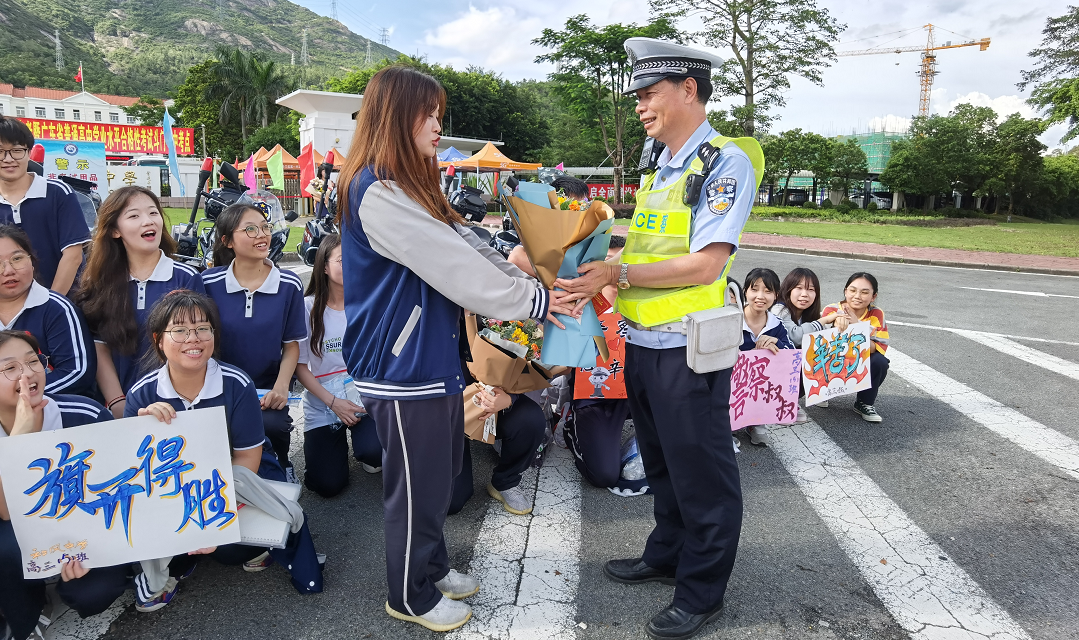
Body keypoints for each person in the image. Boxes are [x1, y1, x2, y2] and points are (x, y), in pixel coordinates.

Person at [337, 65, 577, 632]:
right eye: (430, 113)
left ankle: (433, 566)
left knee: (441, 475)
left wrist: (538, 290)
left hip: (429, 358)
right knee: (417, 487)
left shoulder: (408, 185)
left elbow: (472, 248)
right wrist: (537, 302)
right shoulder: (374, 190)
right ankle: (409, 594)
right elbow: (458, 273)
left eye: (439, 113)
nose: (438, 125)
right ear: (397, 114)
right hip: (402, 366)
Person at [552, 38, 766, 640]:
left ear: (688, 90)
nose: (641, 106)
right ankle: (667, 552)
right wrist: (597, 265)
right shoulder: (662, 164)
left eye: (650, 94)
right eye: (639, 95)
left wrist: (617, 272)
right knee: (663, 462)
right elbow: (647, 253)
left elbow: (705, 264)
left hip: (687, 350)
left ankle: (701, 591)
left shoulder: (724, 162)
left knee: (702, 473)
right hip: (643, 344)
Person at [125, 290, 321, 611]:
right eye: (180, 330)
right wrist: (142, 429)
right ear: (159, 339)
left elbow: (246, 463)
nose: (194, 338)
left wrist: (207, 519)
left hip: (230, 480)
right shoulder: (143, 394)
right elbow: (136, 476)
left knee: (228, 551)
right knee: (163, 544)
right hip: (172, 489)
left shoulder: (235, 383)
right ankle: (174, 564)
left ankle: (248, 546)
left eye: (203, 328)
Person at [0, 330, 129, 640]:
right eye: (10, 368)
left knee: (94, 592)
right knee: (5, 550)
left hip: (87, 523)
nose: (27, 374)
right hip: (19, 528)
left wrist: (85, 546)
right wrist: (19, 437)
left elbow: (119, 488)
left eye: (33, 362)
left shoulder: (83, 414)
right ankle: (25, 616)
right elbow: (6, 512)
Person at [76, 186, 205, 417]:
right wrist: (118, 403)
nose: (148, 221)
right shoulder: (100, 281)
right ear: (115, 230)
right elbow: (99, 346)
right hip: (120, 405)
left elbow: (198, 345)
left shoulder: (186, 277)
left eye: (153, 213)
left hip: (178, 407)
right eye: (134, 216)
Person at [201, 204, 307, 483]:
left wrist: (281, 387)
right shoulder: (207, 283)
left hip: (267, 389)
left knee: (273, 428)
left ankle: (281, 467)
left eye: (265, 227)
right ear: (227, 241)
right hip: (218, 386)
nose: (262, 235)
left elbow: (292, 344)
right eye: (250, 229)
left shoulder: (288, 284)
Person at [295, 234, 382, 498]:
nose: (351, 266)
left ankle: (367, 449)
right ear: (323, 266)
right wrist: (333, 402)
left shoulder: (368, 304)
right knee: (328, 485)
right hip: (324, 401)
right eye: (343, 260)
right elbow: (299, 367)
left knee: (375, 452)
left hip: (362, 398)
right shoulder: (307, 308)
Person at [0, 225, 95, 396]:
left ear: (32, 261)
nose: (8, 271)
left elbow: (76, 373)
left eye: (17, 259)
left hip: (53, 413)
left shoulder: (57, 309)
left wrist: (19, 396)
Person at [0, 116, 90, 295]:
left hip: (63, 300)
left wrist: (50, 305)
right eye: (0, 151)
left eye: (17, 150)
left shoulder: (58, 192)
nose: (8, 159)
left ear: (29, 152)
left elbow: (73, 256)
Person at [448, 359, 547, 517]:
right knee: (451, 502)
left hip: (486, 395)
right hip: (441, 408)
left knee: (530, 419)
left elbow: (515, 358)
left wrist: (509, 398)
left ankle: (505, 480)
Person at [738, 268, 795, 446]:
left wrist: (776, 343)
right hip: (733, 380)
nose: (760, 296)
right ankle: (727, 425)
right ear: (745, 291)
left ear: (776, 295)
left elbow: (791, 352)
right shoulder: (732, 320)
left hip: (760, 383)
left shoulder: (776, 324)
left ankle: (756, 422)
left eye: (768, 291)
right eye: (754, 289)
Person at [824, 272, 890, 423]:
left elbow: (878, 347)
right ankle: (823, 392)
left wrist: (855, 324)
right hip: (835, 357)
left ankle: (864, 402)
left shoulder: (876, 313)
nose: (857, 296)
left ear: (873, 296)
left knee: (880, 362)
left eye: (865, 292)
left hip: (858, 358)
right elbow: (819, 344)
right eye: (852, 290)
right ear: (845, 291)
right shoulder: (832, 310)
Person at [772, 267, 838, 411]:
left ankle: (792, 398)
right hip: (772, 366)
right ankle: (780, 400)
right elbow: (795, 336)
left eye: (811, 290)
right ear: (788, 289)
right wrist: (824, 320)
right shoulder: (779, 308)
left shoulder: (807, 314)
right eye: (799, 288)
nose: (805, 294)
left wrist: (838, 324)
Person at [506, 176, 592, 278]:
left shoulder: (586, 234)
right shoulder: (543, 231)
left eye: (583, 206)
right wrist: (566, 279)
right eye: (574, 207)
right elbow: (516, 258)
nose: (580, 213)